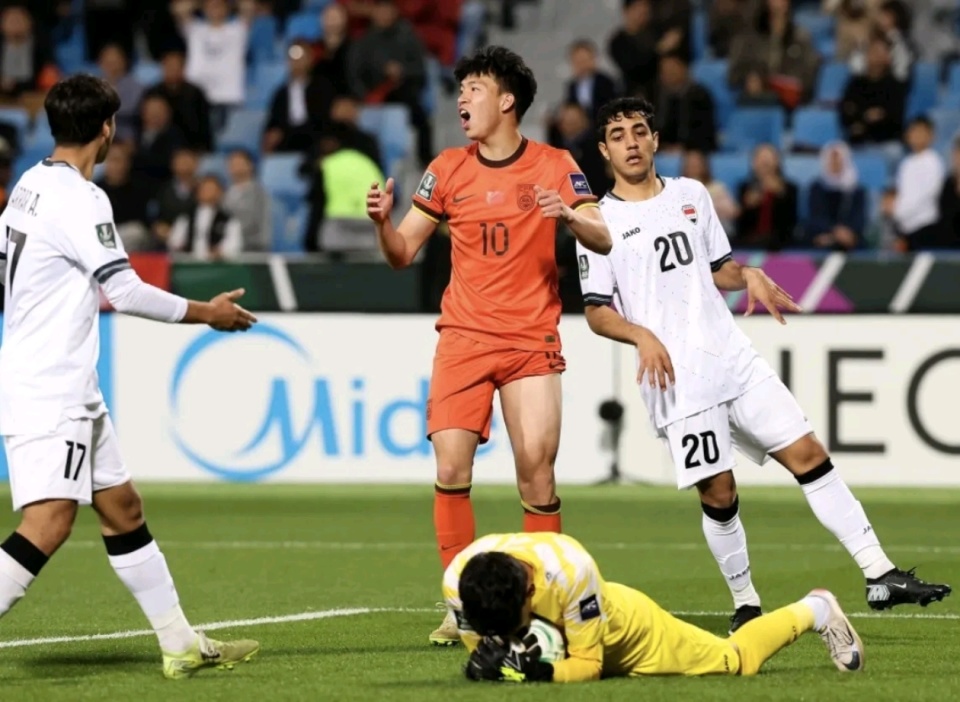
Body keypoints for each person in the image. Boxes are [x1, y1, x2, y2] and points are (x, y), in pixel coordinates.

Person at [575, 96, 951, 633]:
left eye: (639, 131)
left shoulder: (691, 195)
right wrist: (641, 335)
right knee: (719, 492)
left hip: (731, 356)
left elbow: (719, 268)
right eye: (618, 136)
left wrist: (747, 274)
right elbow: (595, 310)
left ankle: (879, 572)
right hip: (678, 378)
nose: (631, 143)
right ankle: (747, 603)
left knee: (809, 453)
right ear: (604, 150)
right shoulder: (598, 222)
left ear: (655, 140)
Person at [0, 74, 260, 679]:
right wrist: (207, 314)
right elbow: (124, 290)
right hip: (51, 387)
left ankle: (180, 644)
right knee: (48, 523)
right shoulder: (82, 198)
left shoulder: (28, 186)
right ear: (107, 129)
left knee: (123, 508)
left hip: (62, 382)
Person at [364, 45, 612, 647]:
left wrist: (569, 217)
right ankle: (461, 607)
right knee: (451, 468)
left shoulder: (555, 163)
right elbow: (402, 254)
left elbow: (603, 236)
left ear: (507, 101)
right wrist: (382, 223)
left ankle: (544, 602)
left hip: (530, 339)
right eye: (461, 89)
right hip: (464, 339)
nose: (462, 98)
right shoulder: (447, 167)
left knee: (537, 477)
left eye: (474, 88)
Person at [444, 531, 864, 683]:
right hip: (565, 633)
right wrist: (486, 663)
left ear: (530, 591)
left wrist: (540, 672)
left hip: (632, 637)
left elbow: (589, 664)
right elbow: (483, 647)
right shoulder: (459, 581)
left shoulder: (571, 570)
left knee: (735, 660)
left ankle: (816, 609)